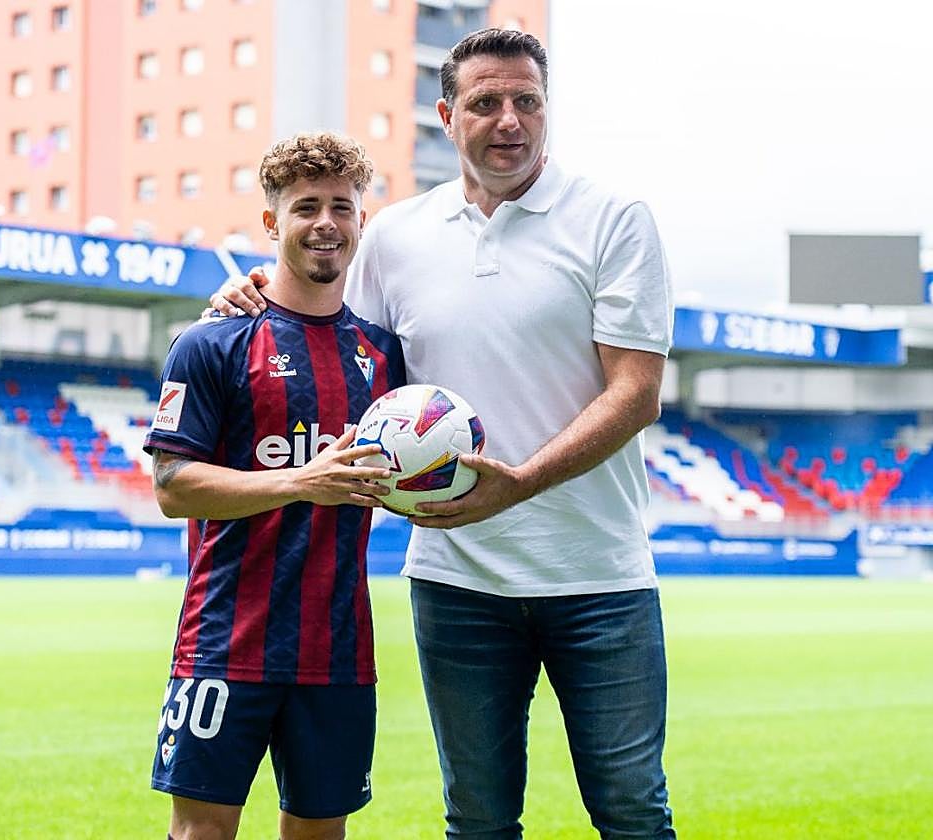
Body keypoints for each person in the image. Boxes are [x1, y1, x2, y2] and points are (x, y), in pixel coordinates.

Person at [209, 28, 676, 840]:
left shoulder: (614, 219)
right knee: (478, 821)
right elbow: (328, 329)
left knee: (633, 811)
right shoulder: (394, 236)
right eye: (486, 103)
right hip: (457, 583)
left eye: (526, 101)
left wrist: (520, 481)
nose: (509, 120)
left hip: (598, 578)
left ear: (545, 110)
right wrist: (250, 289)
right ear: (447, 115)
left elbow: (636, 395)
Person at [143, 131, 407, 840]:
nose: (326, 222)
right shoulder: (211, 343)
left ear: (361, 220)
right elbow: (173, 486)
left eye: (342, 207)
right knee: (201, 833)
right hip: (225, 640)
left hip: (340, 648)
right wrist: (302, 480)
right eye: (306, 206)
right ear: (272, 222)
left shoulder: (386, 359)